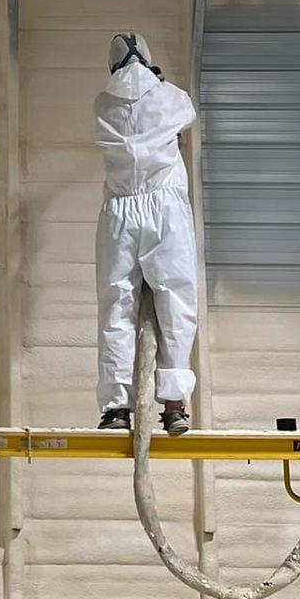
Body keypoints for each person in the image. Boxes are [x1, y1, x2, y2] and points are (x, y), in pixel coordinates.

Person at [93, 32, 199, 436]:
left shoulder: (102, 104)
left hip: (120, 212)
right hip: (165, 209)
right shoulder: (173, 97)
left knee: (116, 305)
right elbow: (183, 118)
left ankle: (116, 407)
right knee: (177, 302)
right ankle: (174, 403)